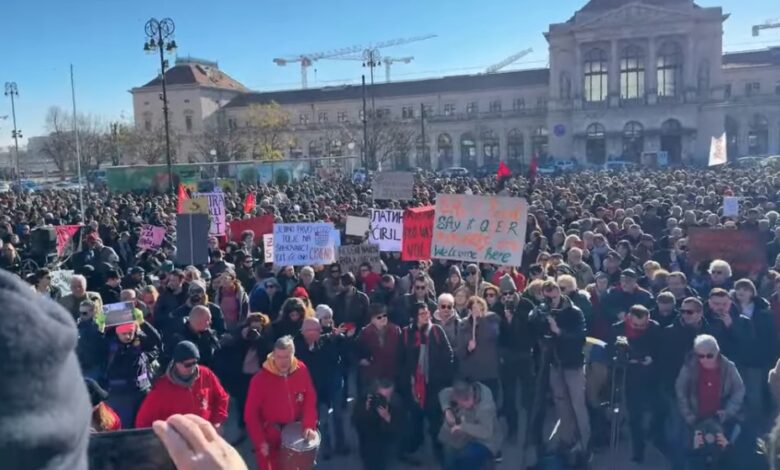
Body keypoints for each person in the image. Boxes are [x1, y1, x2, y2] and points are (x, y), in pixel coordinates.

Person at [244, 336, 318, 470]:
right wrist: (260, 441)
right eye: (279, 357)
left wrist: (308, 425)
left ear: (293, 355)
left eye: (287, 357)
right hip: (271, 435)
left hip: (296, 432)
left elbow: (309, 398)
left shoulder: (301, 369)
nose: (283, 362)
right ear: (273, 355)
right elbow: (250, 414)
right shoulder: (260, 380)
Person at [675, 335, 746, 470]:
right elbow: (680, 390)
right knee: (688, 455)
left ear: (717, 352)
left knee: (724, 455)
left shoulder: (729, 367)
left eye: (709, 356)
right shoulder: (689, 367)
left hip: (719, 419)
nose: (704, 359)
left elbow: (739, 390)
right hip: (695, 419)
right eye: (700, 356)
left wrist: (729, 411)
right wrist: (688, 415)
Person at [399, 301, 455, 464]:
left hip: (434, 385)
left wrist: (445, 378)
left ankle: (440, 454)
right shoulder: (406, 334)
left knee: (435, 422)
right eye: (421, 314)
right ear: (414, 317)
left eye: (427, 313)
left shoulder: (436, 331)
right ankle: (407, 451)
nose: (426, 316)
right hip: (414, 387)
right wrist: (406, 381)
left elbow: (449, 355)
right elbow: (401, 360)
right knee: (415, 423)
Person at [606, 304, 662, 463]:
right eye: (636, 325)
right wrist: (622, 359)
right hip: (628, 376)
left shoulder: (654, 328)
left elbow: (661, 350)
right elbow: (609, 351)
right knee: (635, 416)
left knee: (657, 410)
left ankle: (654, 435)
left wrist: (652, 358)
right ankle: (639, 450)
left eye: (643, 325)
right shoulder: (617, 329)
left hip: (650, 376)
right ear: (628, 318)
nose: (639, 328)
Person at [135, 340, 229, 429]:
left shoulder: (206, 374)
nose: (192, 367)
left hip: (204, 432)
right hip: (177, 439)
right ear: (177, 364)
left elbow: (222, 397)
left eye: (195, 362)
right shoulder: (162, 389)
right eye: (187, 364)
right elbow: (143, 421)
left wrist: (216, 421)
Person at [294, 317, 349, 459]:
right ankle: (325, 447)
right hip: (314, 388)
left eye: (318, 330)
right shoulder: (297, 346)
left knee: (338, 416)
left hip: (333, 384)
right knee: (320, 419)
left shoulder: (327, 341)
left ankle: (341, 444)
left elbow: (338, 357)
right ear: (304, 332)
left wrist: (340, 337)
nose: (316, 333)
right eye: (313, 331)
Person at [497, 273, 536, 441]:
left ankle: (531, 431)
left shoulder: (526, 304)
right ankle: (513, 429)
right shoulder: (498, 308)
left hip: (525, 354)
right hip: (508, 356)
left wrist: (514, 319)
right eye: (504, 294)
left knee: (528, 396)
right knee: (509, 396)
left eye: (510, 293)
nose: (508, 297)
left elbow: (531, 327)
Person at [438, 380, 502, 470]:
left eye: (463, 403)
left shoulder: (485, 407)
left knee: (468, 457)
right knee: (448, 448)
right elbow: (443, 393)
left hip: (484, 440)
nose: (461, 405)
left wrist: (462, 426)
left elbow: (487, 432)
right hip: (463, 434)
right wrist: (447, 410)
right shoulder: (460, 392)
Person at [353, 378, 406, 470]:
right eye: (382, 396)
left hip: (386, 441)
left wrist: (388, 418)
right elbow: (356, 421)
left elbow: (399, 429)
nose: (385, 399)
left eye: (388, 396)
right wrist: (366, 410)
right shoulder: (366, 399)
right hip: (369, 440)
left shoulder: (396, 403)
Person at [456, 296, 501, 400]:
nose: (477, 311)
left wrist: (481, 319)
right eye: (474, 308)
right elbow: (460, 351)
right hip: (471, 373)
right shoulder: (463, 325)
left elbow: (492, 334)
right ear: (469, 310)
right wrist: (468, 349)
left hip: (489, 372)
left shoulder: (492, 319)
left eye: (480, 308)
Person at [355, 303, 402, 393]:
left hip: (392, 372)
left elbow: (402, 351)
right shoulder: (365, 333)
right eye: (379, 317)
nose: (383, 318)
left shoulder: (396, 330)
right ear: (372, 320)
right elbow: (356, 350)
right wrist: (361, 360)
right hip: (373, 374)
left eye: (384, 315)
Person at [163, 305, 221, 370]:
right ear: (198, 321)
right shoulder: (179, 339)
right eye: (208, 320)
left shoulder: (210, 334)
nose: (210, 322)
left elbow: (218, 352)